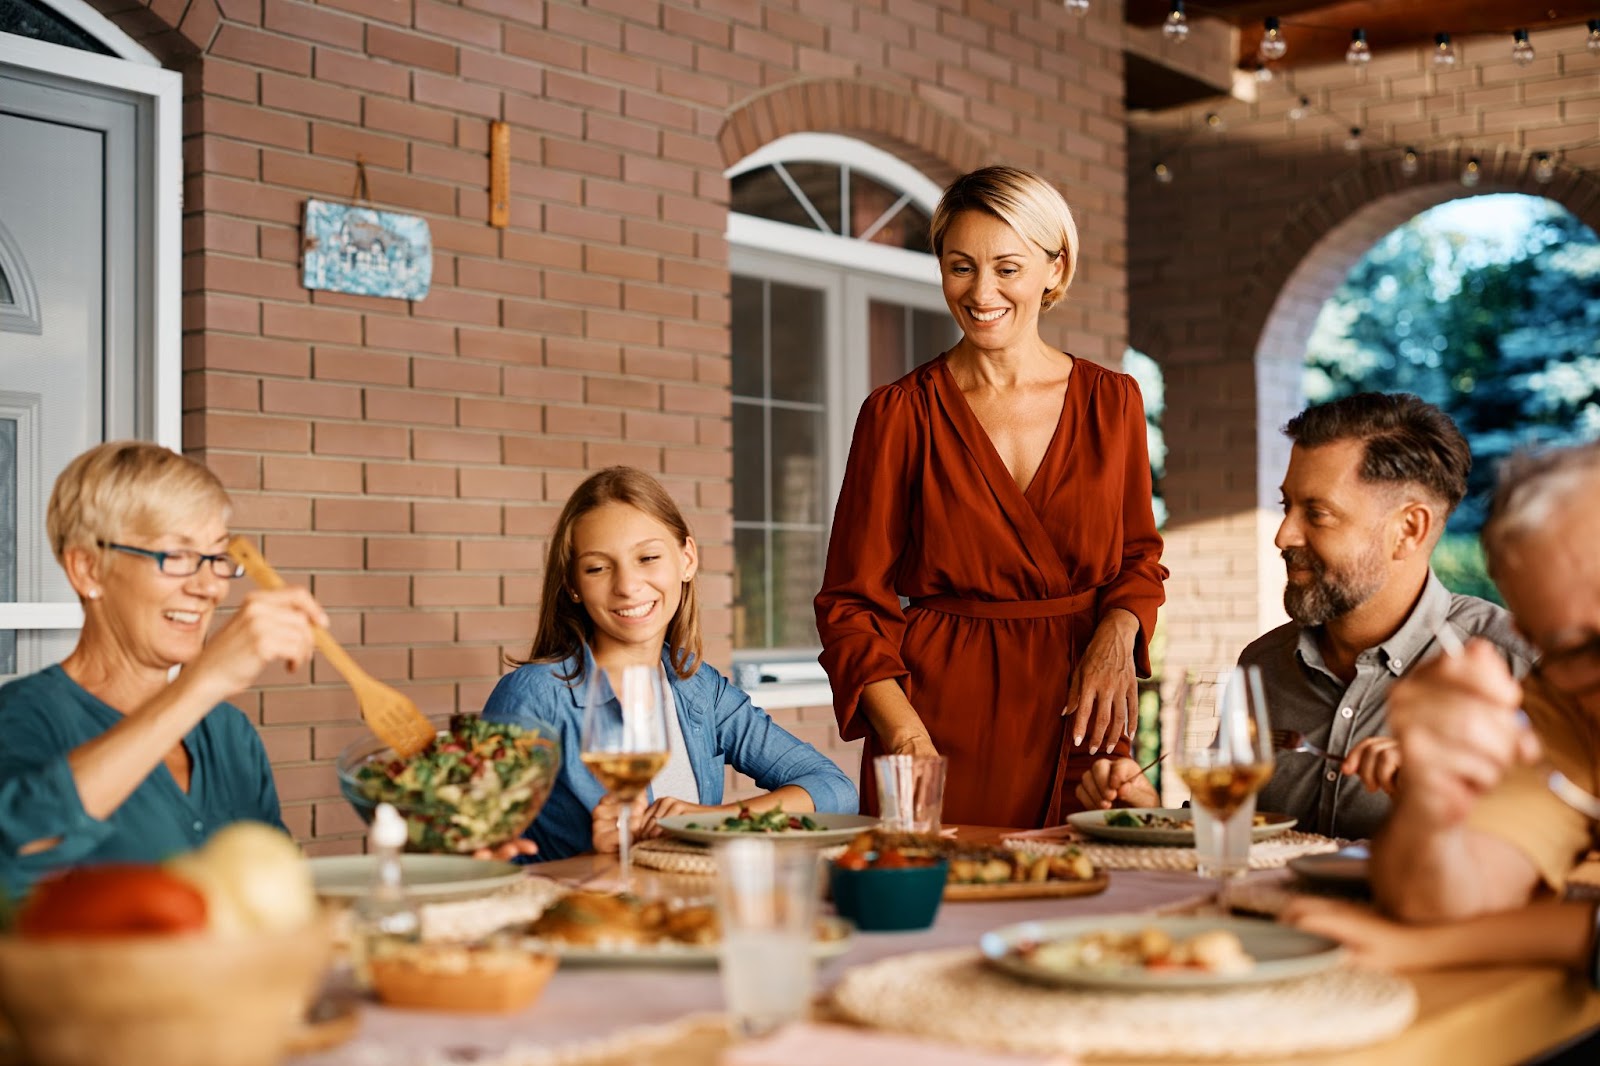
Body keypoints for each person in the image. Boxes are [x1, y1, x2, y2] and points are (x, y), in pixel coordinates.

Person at [814, 165, 1167, 829]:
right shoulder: (897, 414)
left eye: (1008, 267)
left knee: (1092, 908)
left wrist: (1118, 634)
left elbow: (1138, 558)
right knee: (943, 910)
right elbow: (850, 602)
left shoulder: (1113, 401)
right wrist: (909, 741)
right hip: (939, 717)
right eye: (960, 267)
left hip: (1085, 707)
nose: (981, 292)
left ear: (1053, 270)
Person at [1075, 393, 1529, 840]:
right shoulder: (1263, 665)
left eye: (1317, 513)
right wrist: (1150, 817)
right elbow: (1227, 833)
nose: (1283, 535)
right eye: (1286, 506)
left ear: (1409, 530)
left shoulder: (1521, 672)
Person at [0, 441, 327, 900]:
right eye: (175, 555)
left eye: (216, 557)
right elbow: (20, 851)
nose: (209, 586)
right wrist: (204, 682)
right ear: (88, 568)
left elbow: (284, 897)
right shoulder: (22, 718)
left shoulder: (230, 734)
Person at [483, 466, 857, 861]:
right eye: (597, 567)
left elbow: (835, 790)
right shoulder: (535, 696)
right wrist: (596, 857)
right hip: (584, 916)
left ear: (686, 559)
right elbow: (477, 852)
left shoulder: (699, 689)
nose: (627, 585)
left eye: (647, 557)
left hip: (688, 915)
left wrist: (712, 821)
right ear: (573, 585)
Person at [1368, 440, 1600, 921]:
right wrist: (1432, 800)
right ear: (1533, 638)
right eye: (1578, 648)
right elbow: (1440, 900)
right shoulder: (1559, 703)